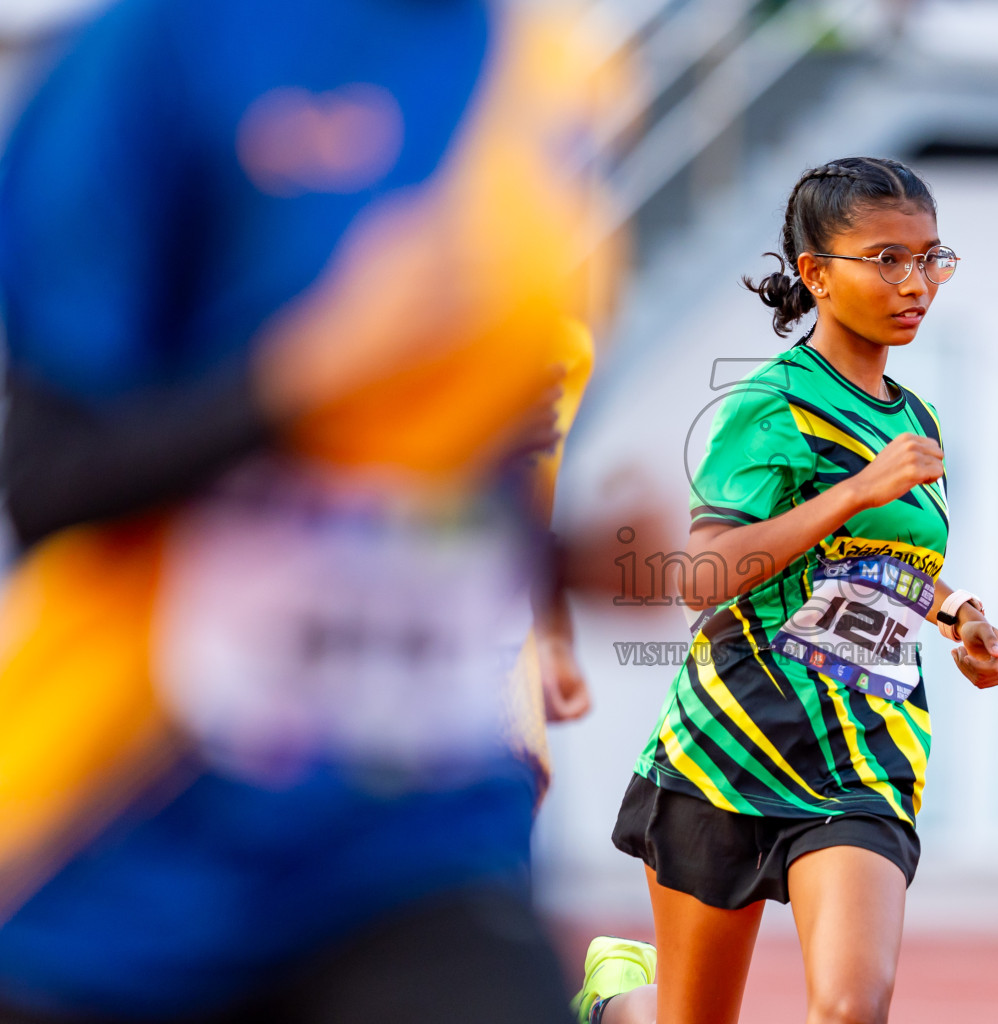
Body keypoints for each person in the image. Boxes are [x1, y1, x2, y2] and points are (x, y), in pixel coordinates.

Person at [0, 0, 617, 1020]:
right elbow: (49, 480)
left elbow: (432, 467)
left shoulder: (549, 67)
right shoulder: (161, 47)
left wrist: (567, 567)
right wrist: (307, 373)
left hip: (407, 831)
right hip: (126, 822)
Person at [570, 157, 998, 1024]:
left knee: (852, 1008)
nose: (916, 282)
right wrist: (854, 489)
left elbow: (878, 562)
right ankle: (619, 1001)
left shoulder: (911, 415)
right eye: (886, 259)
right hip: (733, 742)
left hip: (864, 755)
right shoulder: (769, 404)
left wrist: (959, 612)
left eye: (931, 258)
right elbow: (703, 576)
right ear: (815, 273)